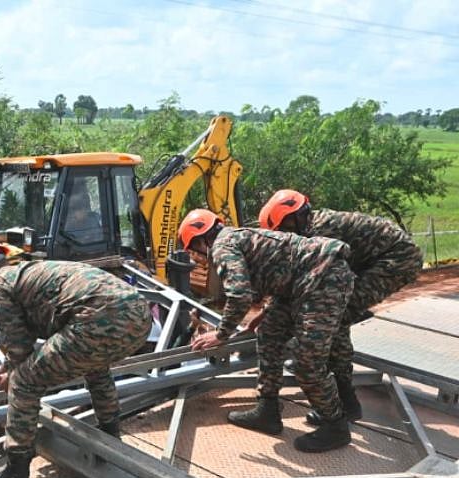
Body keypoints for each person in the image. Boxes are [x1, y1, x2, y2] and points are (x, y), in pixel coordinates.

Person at [0, 238, 151, 478]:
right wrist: (6, 367)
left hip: (95, 318)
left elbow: (19, 347)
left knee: (24, 382)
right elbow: (25, 335)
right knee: (95, 364)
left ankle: (16, 473)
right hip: (139, 316)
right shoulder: (30, 271)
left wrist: (12, 375)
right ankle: (110, 435)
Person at [180, 209, 356, 453]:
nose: (199, 256)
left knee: (307, 360)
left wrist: (221, 334)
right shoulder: (236, 237)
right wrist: (264, 314)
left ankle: (335, 426)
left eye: (195, 250)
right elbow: (279, 271)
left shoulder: (222, 246)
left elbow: (239, 295)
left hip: (324, 279)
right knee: (269, 332)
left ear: (201, 241)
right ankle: (267, 410)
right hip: (302, 282)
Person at [256, 189, 422, 424]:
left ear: (296, 218)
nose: (285, 236)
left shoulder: (322, 231)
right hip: (369, 259)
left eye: (286, 229)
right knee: (330, 312)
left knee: (335, 315)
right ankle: (342, 399)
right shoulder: (311, 228)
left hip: (396, 260)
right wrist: (269, 310)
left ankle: (347, 401)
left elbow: (307, 282)